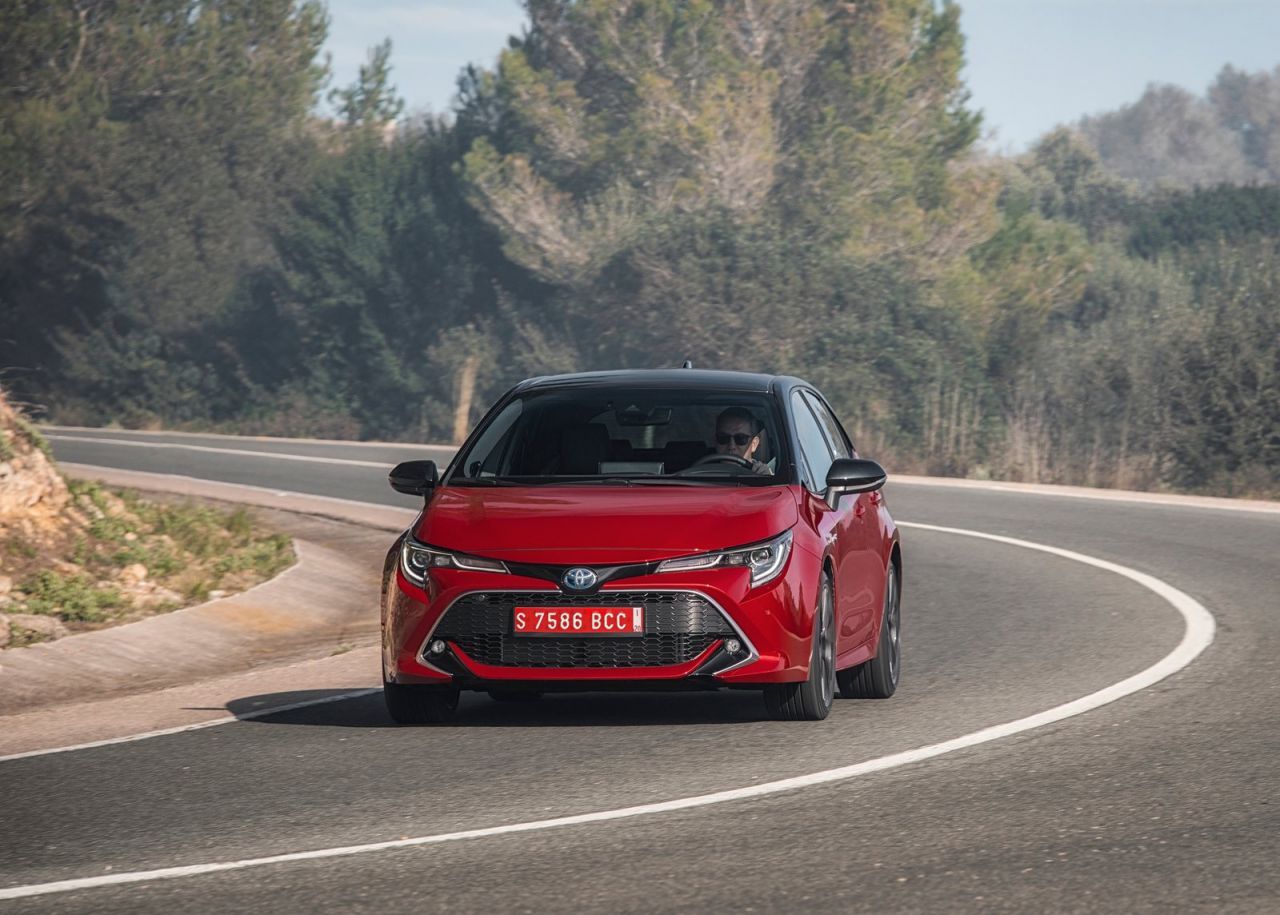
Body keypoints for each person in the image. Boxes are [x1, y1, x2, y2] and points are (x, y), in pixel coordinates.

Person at [713, 407, 772, 474]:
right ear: (715, 441)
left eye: (740, 438)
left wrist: (767, 480)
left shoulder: (761, 474)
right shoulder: (700, 473)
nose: (731, 446)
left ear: (754, 444)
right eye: (723, 438)